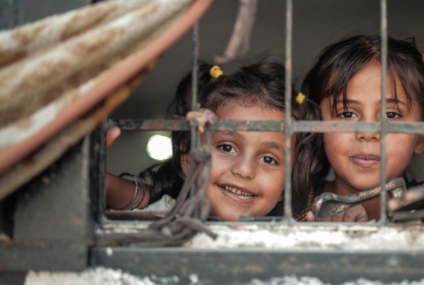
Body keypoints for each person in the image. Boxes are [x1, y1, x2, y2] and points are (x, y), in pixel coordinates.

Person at [105, 61, 330, 221]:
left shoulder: (294, 240)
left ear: (285, 186)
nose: (244, 170)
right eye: (226, 147)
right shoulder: (150, 218)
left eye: (269, 159)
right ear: (187, 157)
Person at [301, 35, 424, 221]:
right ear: (316, 125)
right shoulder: (289, 206)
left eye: (391, 115)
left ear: (421, 136)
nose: (368, 133)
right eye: (347, 114)